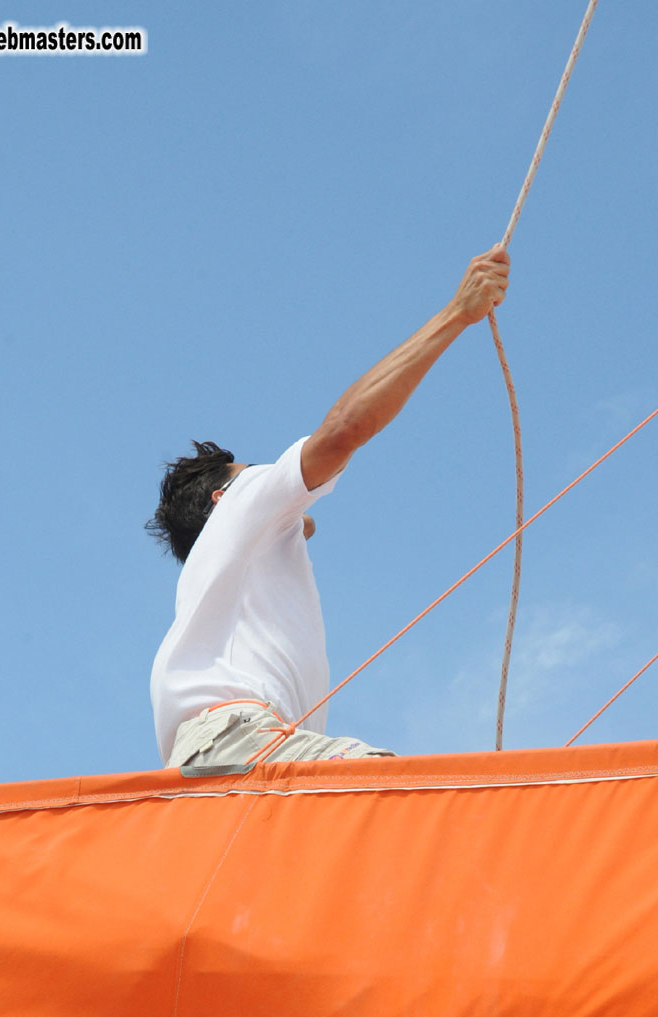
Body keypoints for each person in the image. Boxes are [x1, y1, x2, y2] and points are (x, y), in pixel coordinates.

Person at [147, 245, 510, 771]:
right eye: (253, 473)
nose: (267, 482)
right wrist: (457, 313)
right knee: (398, 796)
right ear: (222, 498)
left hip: (225, 759)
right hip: (239, 741)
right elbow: (343, 431)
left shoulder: (226, 580)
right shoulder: (242, 506)